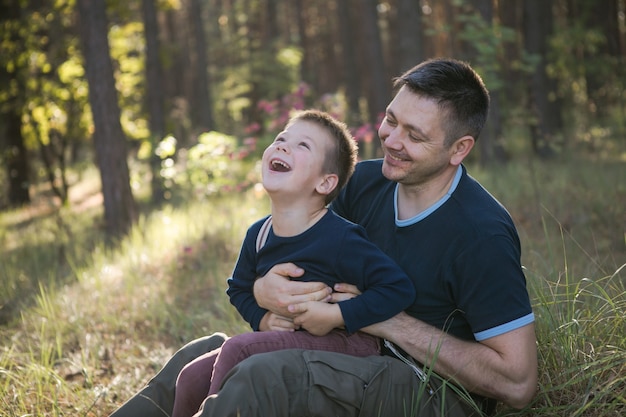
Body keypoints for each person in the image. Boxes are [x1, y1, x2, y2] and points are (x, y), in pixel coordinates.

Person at [109, 58, 537, 417]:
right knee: (203, 355)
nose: (392, 140)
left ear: (459, 149)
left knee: (263, 376)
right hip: (345, 348)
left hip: (430, 391)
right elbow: (298, 242)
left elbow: (517, 383)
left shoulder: (480, 234)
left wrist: (387, 321)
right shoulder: (366, 182)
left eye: (415, 135)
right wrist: (263, 288)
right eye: (391, 120)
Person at [170, 109, 415, 416]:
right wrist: (262, 320)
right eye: (281, 139)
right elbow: (239, 290)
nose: (283, 146)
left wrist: (336, 314)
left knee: (237, 349)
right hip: (288, 340)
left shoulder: (341, 238)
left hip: (347, 346)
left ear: (325, 183)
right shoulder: (258, 235)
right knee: (190, 375)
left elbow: (398, 289)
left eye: (303, 146)